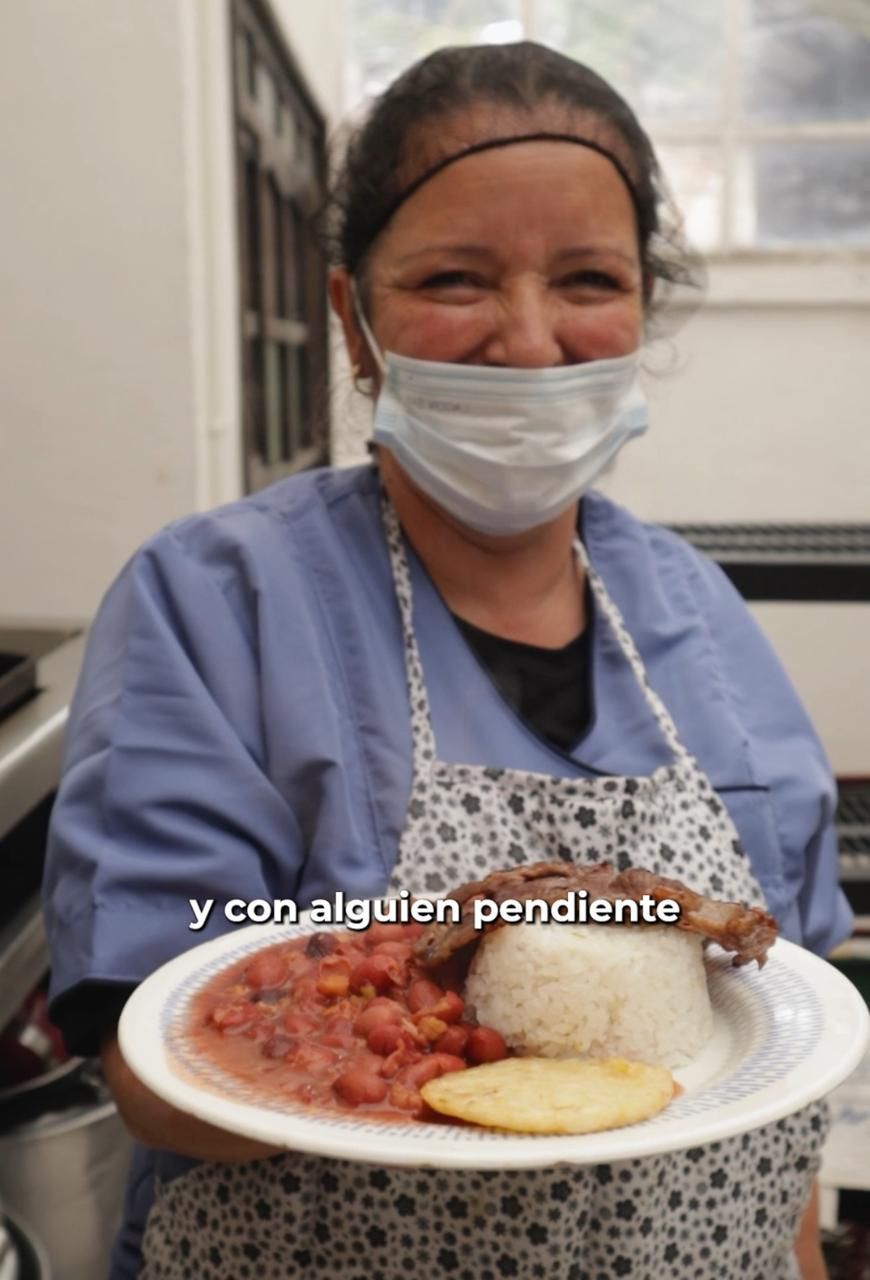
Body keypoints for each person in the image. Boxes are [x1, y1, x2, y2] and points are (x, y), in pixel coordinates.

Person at [42, 41, 851, 1280]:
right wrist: (404, 1033)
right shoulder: (218, 600)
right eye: (456, 280)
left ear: (642, 309)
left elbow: (782, 1044)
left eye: (588, 277)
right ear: (354, 321)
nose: (530, 342)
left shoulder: (697, 610)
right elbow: (156, 1074)